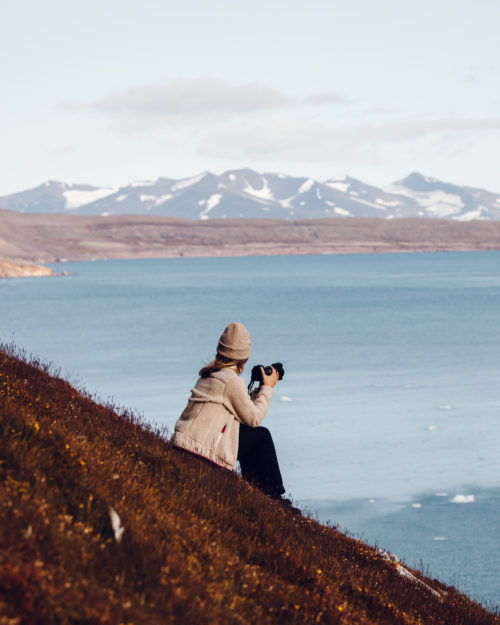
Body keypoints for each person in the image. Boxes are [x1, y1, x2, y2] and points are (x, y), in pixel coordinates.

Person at [172, 322, 299, 513]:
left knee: (248, 434)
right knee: (261, 436)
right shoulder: (231, 381)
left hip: (183, 446)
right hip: (202, 454)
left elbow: (238, 409)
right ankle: (272, 496)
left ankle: (259, 492)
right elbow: (254, 418)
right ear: (243, 356)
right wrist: (267, 388)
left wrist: (256, 392)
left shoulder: (208, 375)